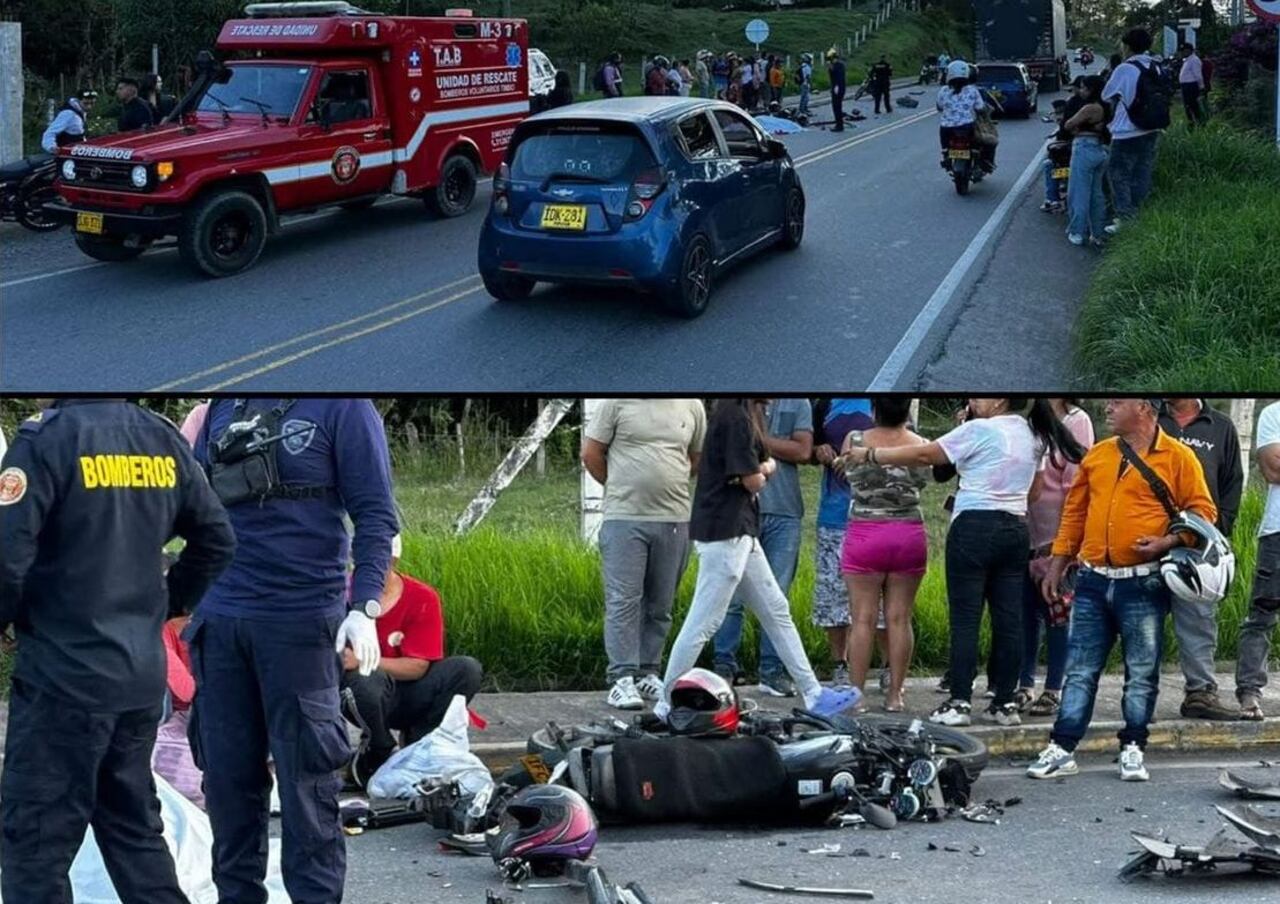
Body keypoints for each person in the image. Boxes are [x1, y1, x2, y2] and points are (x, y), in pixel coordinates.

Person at [0, 399, 235, 904]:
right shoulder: (159, 436)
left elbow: (6, 556)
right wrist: (166, 606)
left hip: (62, 678)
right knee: (132, 829)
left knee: (36, 843)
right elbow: (216, 538)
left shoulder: (44, 441)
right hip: (137, 675)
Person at [190, 398, 398, 904]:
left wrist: (364, 604)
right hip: (220, 621)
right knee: (227, 785)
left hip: (301, 622)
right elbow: (190, 510)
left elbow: (376, 515)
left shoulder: (344, 406)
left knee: (307, 789)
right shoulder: (223, 404)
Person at [844, 399, 1086, 728]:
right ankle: (1004, 703)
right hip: (1016, 529)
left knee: (966, 619)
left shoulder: (977, 429)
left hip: (973, 527)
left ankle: (959, 701)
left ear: (999, 399)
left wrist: (871, 454)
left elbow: (925, 455)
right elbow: (1035, 491)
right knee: (1008, 620)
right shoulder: (1035, 434)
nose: (972, 401)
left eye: (979, 396)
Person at [1028, 399, 1217, 782]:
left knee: (1142, 671)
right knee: (1079, 670)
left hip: (1144, 582)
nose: (1108, 409)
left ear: (1145, 408)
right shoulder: (1098, 455)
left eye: (1117, 403)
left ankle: (1133, 747)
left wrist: (1167, 542)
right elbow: (1075, 514)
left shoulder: (1178, 457)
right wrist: (1059, 562)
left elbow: (1203, 512)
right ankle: (1062, 747)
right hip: (1093, 580)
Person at [656, 399, 862, 722]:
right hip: (726, 533)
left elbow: (754, 469)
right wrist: (766, 469)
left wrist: (761, 468)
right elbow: (754, 478)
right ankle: (666, 702)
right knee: (704, 622)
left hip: (742, 530)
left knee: (777, 610)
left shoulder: (746, 414)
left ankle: (814, 692)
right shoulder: (734, 416)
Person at [582, 399, 706, 710]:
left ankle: (647, 672)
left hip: (675, 517)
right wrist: (621, 488)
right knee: (624, 600)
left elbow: (696, 458)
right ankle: (621, 676)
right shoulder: (616, 401)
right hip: (624, 518)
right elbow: (591, 453)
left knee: (661, 602)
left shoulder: (691, 404)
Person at [341, 535, 484, 786]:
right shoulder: (337, 596)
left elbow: (417, 666)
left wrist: (364, 658)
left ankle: (422, 741)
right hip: (365, 692)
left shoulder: (422, 597)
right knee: (363, 679)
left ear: (394, 560)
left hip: (408, 689)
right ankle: (378, 746)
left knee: (466, 669)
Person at [833, 398, 929, 713]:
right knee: (900, 618)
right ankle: (895, 695)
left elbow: (847, 475)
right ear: (907, 412)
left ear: (874, 410)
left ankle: (857, 696)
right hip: (907, 533)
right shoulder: (921, 445)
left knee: (862, 618)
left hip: (865, 533)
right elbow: (925, 482)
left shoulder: (855, 440)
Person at [713, 399, 813, 696]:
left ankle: (772, 672)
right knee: (729, 596)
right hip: (739, 512)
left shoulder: (799, 401)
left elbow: (803, 450)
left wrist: (757, 442)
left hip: (785, 512)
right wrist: (773, 448)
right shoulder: (736, 404)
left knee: (777, 597)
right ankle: (723, 668)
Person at [1157, 399, 1244, 721]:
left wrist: (1218, 530)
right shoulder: (1150, 417)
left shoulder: (1220, 426)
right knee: (1143, 619)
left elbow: (1233, 480)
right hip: (1145, 539)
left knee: (1198, 619)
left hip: (1197, 543)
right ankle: (1139, 692)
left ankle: (1200, 693)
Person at [1016, 400, 1095, 717]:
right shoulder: (1027, 423)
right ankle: (1024, 684)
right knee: (1025, 617)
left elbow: (1076, 488)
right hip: (1025, 534)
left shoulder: (1078, 422)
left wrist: (1063, 549)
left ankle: (1053, 689)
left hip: (1057, 541)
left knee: (1058, 617)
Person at [810, 399, 878, 689]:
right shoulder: (825, 402)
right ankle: (840, 663)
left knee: (881, 597)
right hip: (834, 514)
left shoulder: (880, 400)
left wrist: (860, 458)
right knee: (832, 595)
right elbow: (811, 445)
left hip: (875, 515)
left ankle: (886, 667)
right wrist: (819, 451)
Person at [1237, 401, 1280, 721]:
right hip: (1278, 530)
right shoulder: (1274, 413)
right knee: (1262, 613)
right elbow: (1273, 468)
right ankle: (1250, 691)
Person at [1102, 29, 1163, 233]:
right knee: (1142, 172)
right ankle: (1139, 213)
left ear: (1127, 46)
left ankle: (1125, 218)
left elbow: (1106, 94)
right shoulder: (1156, 65)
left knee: (1118, 173)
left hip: (1127, 130)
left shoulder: (1125, 68)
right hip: (1151, 127)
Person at [1062, 75, 1111, 247]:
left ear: (1091, 90)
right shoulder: (1105, 106)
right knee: (1096, 194)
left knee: (1079, 193)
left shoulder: (1090, 108)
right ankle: (1097, 233)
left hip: (1084, 149)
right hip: (1099, 150)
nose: (1080, 90)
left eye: (1083, 87)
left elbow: (1068, 124)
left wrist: (1076, 126)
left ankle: (1077, 232)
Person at [936, 59, 994, 172]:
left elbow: (939, 107)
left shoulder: (943, 91)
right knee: (980, 143)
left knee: (945, 147)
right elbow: (980, 107)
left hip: (946, 129)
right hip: (967, 127)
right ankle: (979, 163)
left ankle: (946, 155)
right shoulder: (972, 91)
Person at [1177, 42, 1204, 128]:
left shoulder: (1194, 60)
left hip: (1191, 86)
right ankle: (1191, 122)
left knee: (1193, 105)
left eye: (1183, 51)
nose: (1181, 53)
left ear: (1188, 51)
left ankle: (1198, 123)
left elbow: (1198, 75)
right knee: (1188, 106)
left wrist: (1201, 87)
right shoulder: (1187, 60)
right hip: (1186, 86)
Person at [827, 49, 848, 132]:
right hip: (836, 87)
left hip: (838, 87)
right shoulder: (834, 65)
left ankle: (839, 125)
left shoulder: (839, 65)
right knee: (835, 106)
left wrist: (837, 87)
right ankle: (838, 123)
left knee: (837, 106)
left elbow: (839, 77)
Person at [797, 53, 814, 117]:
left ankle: (803, 109)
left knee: (805, 97)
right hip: (805, 84)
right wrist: (811, 85)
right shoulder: (807, 67)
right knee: (805, 98)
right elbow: (808, 77)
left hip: (802, 83)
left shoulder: (802, 66)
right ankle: (802, 110)